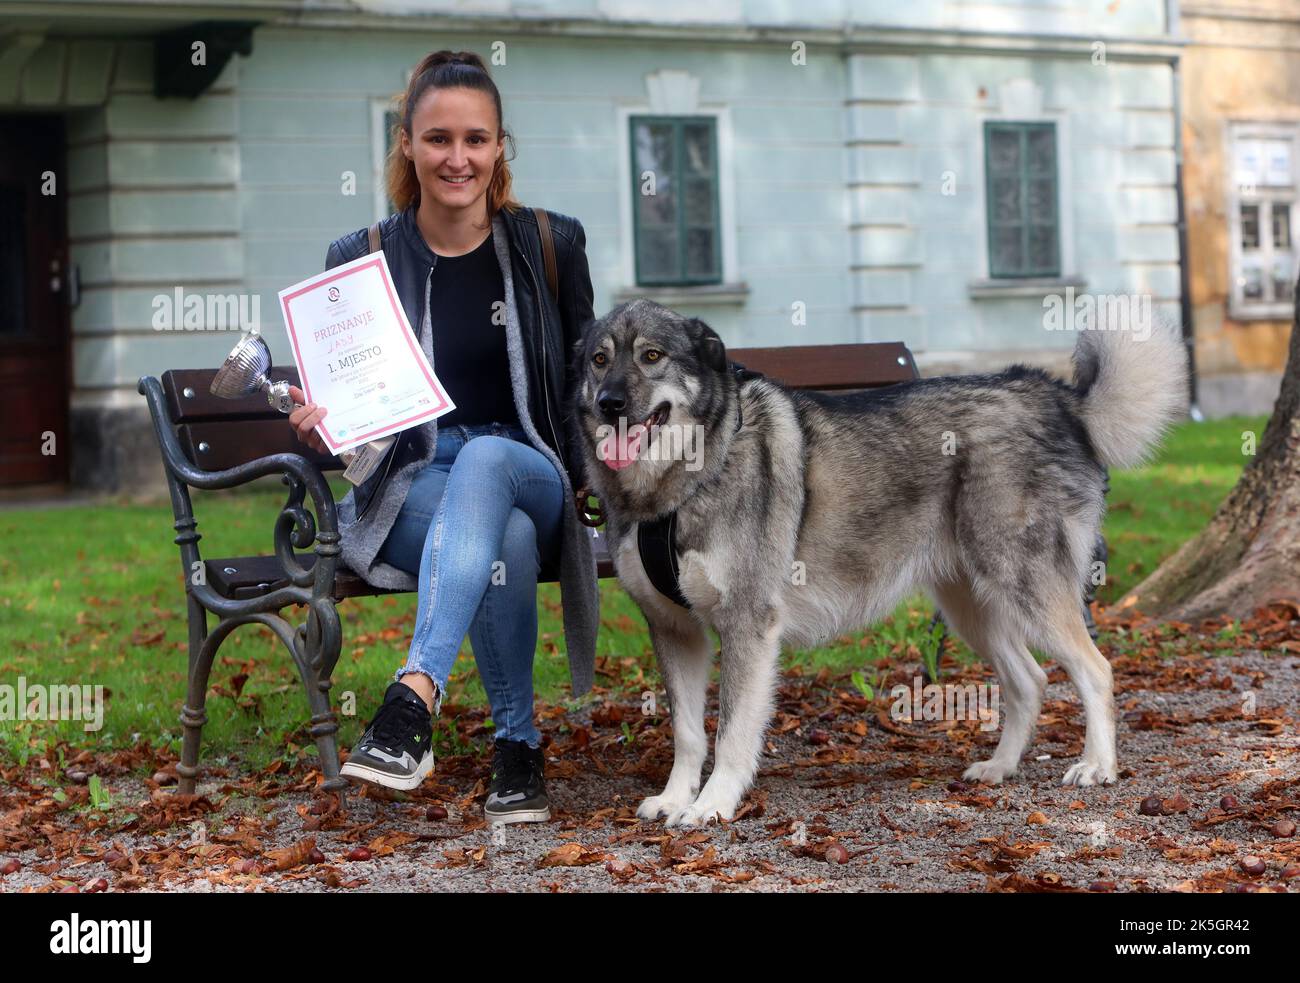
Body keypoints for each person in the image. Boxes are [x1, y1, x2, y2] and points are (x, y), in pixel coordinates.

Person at [287, 49, 600, 823]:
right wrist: (328, 426)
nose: (456, 158)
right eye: (437, 139)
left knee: (494, 464)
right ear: (406, 144)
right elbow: (358, 441)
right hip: (414, 484)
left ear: (499, 148)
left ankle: (414, 693)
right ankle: (518, 749)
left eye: (475, 139)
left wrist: (608, 475)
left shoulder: (549, 244)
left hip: (530, 465)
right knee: (507, 541)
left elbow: (587, 384)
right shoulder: (359, 259)